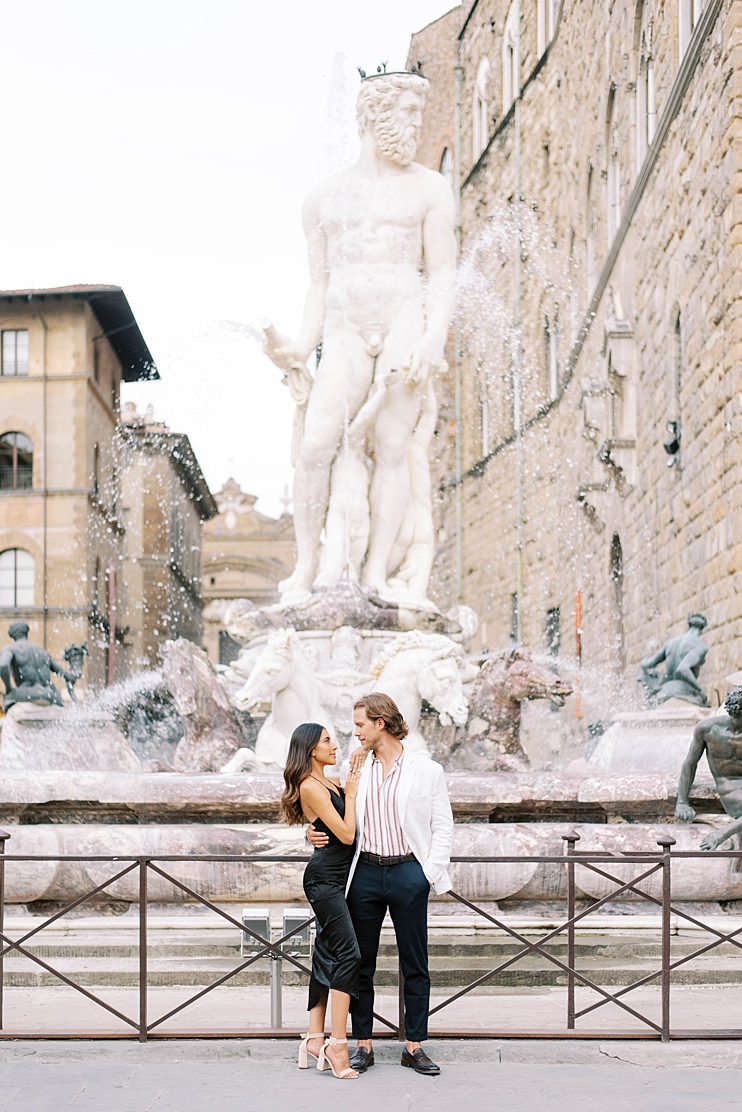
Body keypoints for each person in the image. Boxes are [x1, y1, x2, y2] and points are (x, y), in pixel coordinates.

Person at [265, 69, 455, 606]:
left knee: (393, 445)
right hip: (346, 328)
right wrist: (302, 344)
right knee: (316, 444)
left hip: (403, 320)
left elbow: (441, 271)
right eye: (408, 114)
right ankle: (305, 568)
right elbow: (319, 283)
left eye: (420, 114)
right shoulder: (322, 200)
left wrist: (433, 336)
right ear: (374, 115)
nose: (417, 125)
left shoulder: (430, 189)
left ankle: (374, 574)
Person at [308, 692, 453, 1076]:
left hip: (409, 872)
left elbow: (444, 827)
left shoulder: (427, 770)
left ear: (380, 724)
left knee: (415, 962)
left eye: (359, 725)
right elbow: (324, 808)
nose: (354, 733)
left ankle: (414, 1045)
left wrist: (427, 874)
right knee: (360, 963)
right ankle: (363, 1044)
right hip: (365, 873)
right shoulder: (356, 769)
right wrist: (310, 831)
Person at [279, 721, 368, 1079]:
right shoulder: (310, 785)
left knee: (327, 952)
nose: (334, 746)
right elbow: (346, 834)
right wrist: (353, 789)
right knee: (350, 954)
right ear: (310, 748)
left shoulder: (327, 781)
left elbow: (330, 830)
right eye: (327, 741)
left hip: (337, 877)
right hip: (325, 880)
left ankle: (315, 1038)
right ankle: (338, 1044)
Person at [673, 685, 742, 851]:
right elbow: (690, 763)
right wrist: (682, 802)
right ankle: (720, 835)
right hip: (733, 792)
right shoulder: (707, 729)